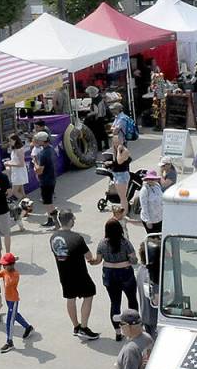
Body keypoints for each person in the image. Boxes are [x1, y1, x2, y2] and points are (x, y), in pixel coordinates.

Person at [49, 210, 100, 341]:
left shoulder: (53, 237)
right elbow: (89, 257)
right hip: (79, 274)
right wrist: (95, 260)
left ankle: (76, 326)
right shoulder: (77, 238)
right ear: (70, 221)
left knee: (70, 299)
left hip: (64, 274)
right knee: (89, 294)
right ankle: (84, 327)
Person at [90, 219, 138, 342]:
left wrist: (91, 261)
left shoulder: (102, 244)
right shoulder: (125, 243)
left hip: (109, 276)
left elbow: (98, 260)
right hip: (126, 274)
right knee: (132, 300)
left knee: (115, 303)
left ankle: (117, 332)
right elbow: (134, 260)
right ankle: (133, 327)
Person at [0, 253, 34, 353]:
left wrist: (4, 272)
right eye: (3, 264)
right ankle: (28, 327)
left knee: (10, 320)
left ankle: (9, 342)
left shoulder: (15, 274)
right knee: (16, 315)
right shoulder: (5, 271)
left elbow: (10, 283)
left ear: (11, 265)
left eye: (5, 264)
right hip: (8, 299)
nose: (4, 266)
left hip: (13, 300)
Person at [134, 240, 159, 338]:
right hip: (155, 318)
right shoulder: (152, 276)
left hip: (145, 314)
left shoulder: (141, 269)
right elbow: (156, 300)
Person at [109, 130, 132, 216]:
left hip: (122, 175)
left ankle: (125, 213)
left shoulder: (124, 151)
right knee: (121, 197)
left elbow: (119, 161)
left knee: (123, 197)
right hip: (117, 174)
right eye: (114, 142)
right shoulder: (114, 150)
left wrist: (118, 150)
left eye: (118, 142)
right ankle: (123, 212)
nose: (116, 144)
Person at [5, 135, 30, 204]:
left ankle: (25, 204)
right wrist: (9, 162)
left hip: (19, 173)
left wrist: (9, 164)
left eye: (10, 141)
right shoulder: (15, 149)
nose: (9, 143)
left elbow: (21, 164)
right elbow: (15, 160)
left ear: (15, 140)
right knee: (22, 191)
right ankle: (26, 205)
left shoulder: (19, 150)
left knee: (14, 192)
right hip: (16, 172)